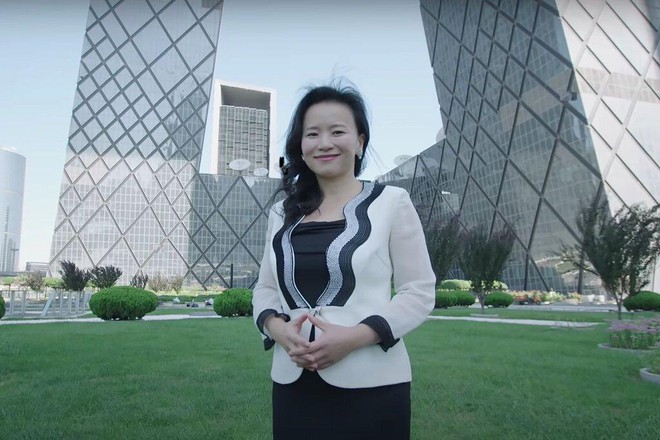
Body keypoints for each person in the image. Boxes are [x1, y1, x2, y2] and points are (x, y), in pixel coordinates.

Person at [252, 82, 436, 440]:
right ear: (300, 146)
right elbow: (265, 288)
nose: (324, 143)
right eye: (312, 134)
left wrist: (354, 337)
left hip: (373, 383)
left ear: (360, 142)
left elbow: (418, 291)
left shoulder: (391, 202)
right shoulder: (281, 212)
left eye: (337, 131)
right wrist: (277, 329)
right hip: (293, 384)